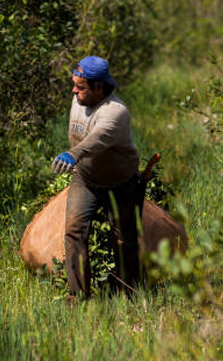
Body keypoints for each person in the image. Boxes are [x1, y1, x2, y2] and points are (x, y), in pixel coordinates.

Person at [52, 55, 143, 299]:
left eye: (80, 87)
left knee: (124, 240)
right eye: (74, 84)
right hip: (86, 179)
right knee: (74, 232)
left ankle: (128, 294)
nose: (74, 90)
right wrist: (76, 161)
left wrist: (73, 154)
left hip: (121, 183)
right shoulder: (78, 100)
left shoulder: (116, 112)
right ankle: (79, 295)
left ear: (99, 87)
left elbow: (98, 137)